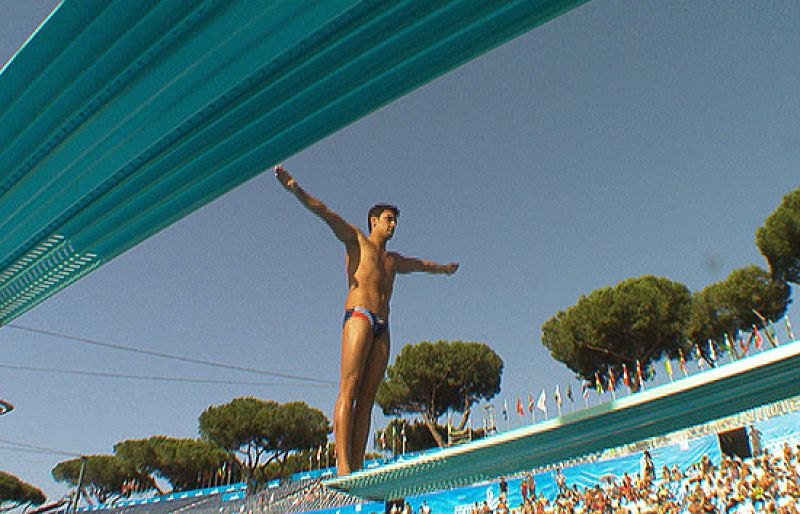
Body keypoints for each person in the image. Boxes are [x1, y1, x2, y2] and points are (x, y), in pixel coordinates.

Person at [275, 166, 459, 475]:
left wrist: (444, 269)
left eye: (395, 220)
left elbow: (422, 264)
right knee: (349, 388)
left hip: (383, 327)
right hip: (359, 315)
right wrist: (295, 189)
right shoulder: (355, 240)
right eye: (389, 219)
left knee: (368, 397)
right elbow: (325, 213)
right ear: (373, 220)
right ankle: (343, 466)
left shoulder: (393, 260)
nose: (393, 224)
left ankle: (358, 465)